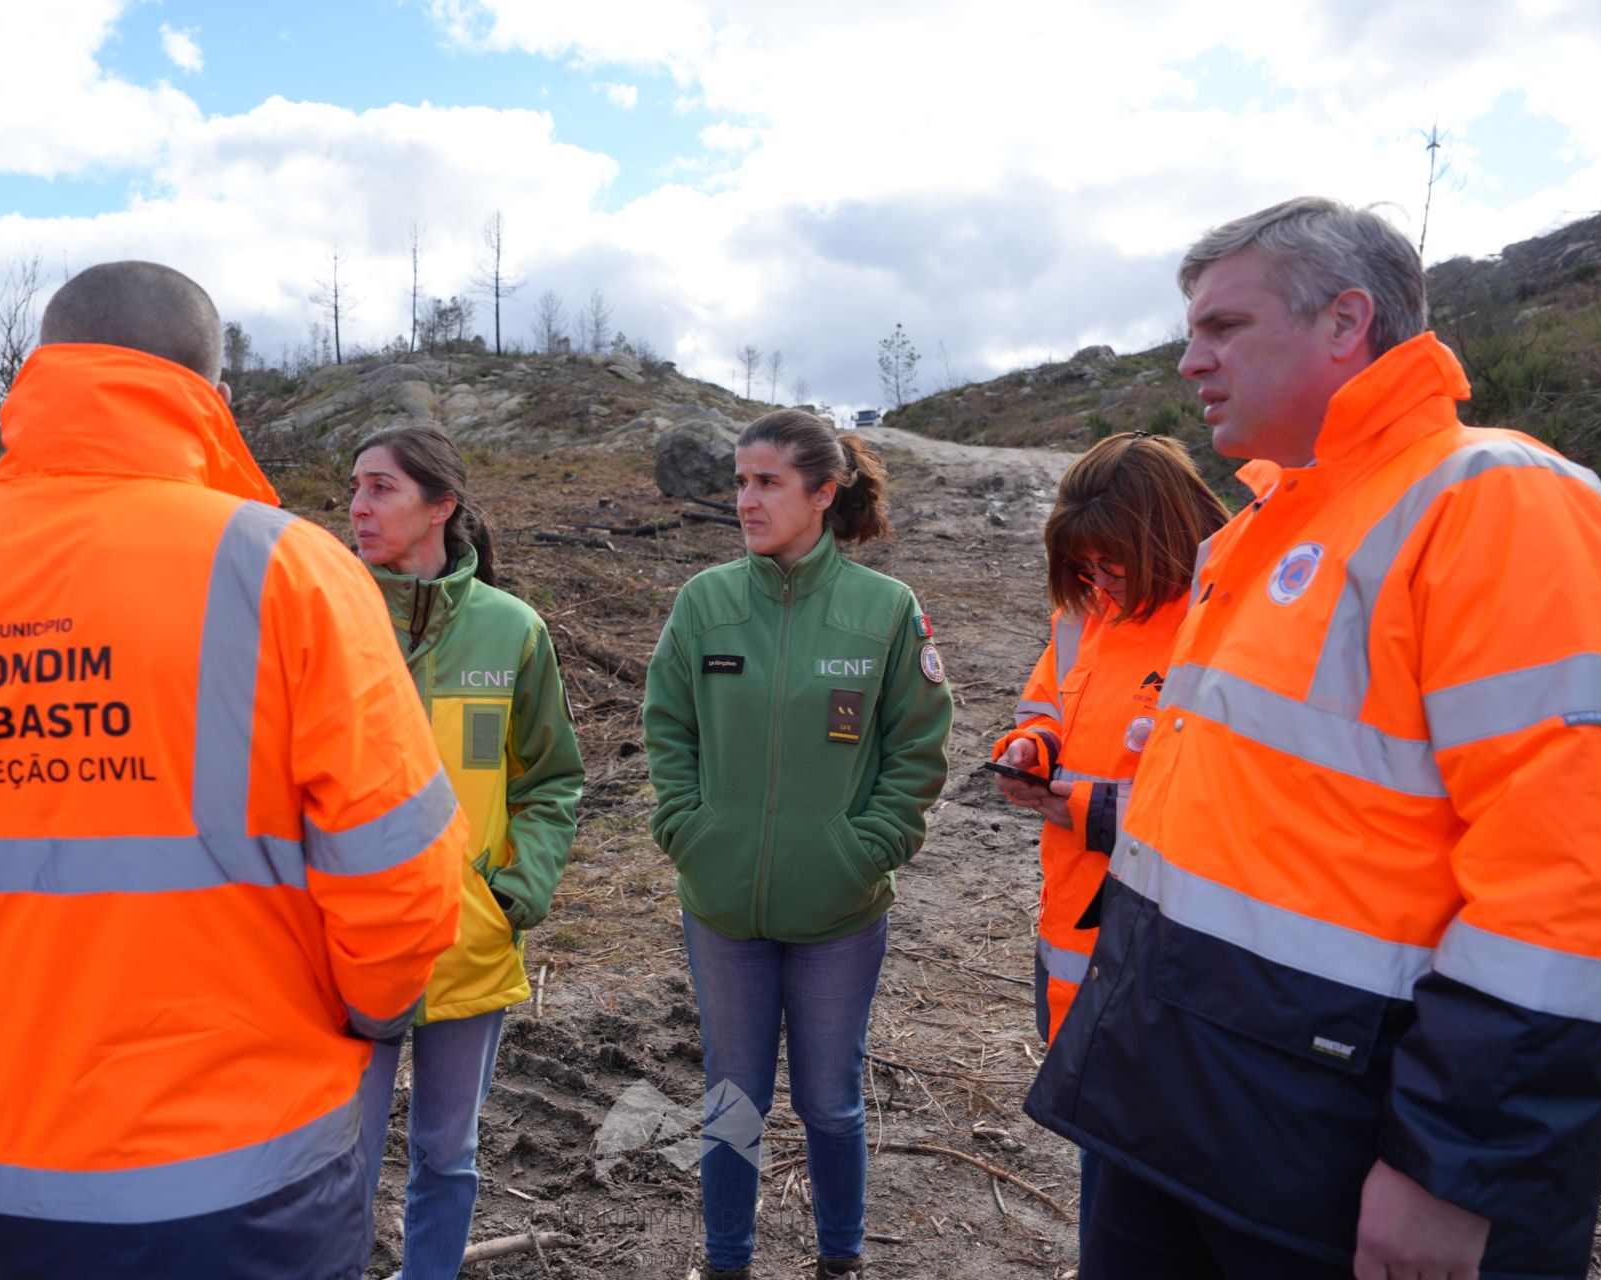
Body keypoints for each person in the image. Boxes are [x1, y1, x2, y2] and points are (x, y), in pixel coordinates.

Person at [0, 261, 465, 1280]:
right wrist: (360, 1010)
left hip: (11, 1172)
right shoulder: (292, 572)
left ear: (35, 376)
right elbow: (400, 881)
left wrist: (11, 983)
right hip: (258, 1166)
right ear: (212, 401)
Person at [1025, 197, 1601, 1279]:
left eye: (1223, 327)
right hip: (1181, 1102)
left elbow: (1570, 876)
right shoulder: (1257, 536)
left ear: (1345, 321)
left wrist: (1456, 1164)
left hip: (1343, 1142)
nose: (1189, 362)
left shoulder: (1494, 500)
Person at [642, 408, 953, 1280]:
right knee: (733, 1097)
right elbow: (667, 726)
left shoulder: (884, 610)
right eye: (741, 480)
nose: (746, 498)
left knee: (829, 1103)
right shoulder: (706, 603)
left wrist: (870, 846)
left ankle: (840, 1261)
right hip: (722, 905)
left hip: (839, 912)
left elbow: (919, 747)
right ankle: (727, 1262)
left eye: (768, 482)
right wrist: (688, 827)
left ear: (823, 493)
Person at [347, 423, 584, 1280]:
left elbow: (552, 778)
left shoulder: (512, 630)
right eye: (355, 486)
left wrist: (517, 889)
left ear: (441, 505)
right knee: (342, 1165)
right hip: (342, 946)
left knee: (447, 1154)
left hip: (468, 935)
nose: (357, 507)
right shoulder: (325, 616)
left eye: (381, 488)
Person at [990, 431, 1229, 1225]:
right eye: (1083, 566)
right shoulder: (1084, 610)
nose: (1096, 580)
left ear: (1161, 537)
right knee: (1107, 1145)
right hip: (1076, 924)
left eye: (1111, 565)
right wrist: (1033, 747)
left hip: (1171, 950)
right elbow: (1049, 701)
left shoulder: (1223, 618)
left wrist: (1091, 809)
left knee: (1151, 1170)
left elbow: (1228, 804)